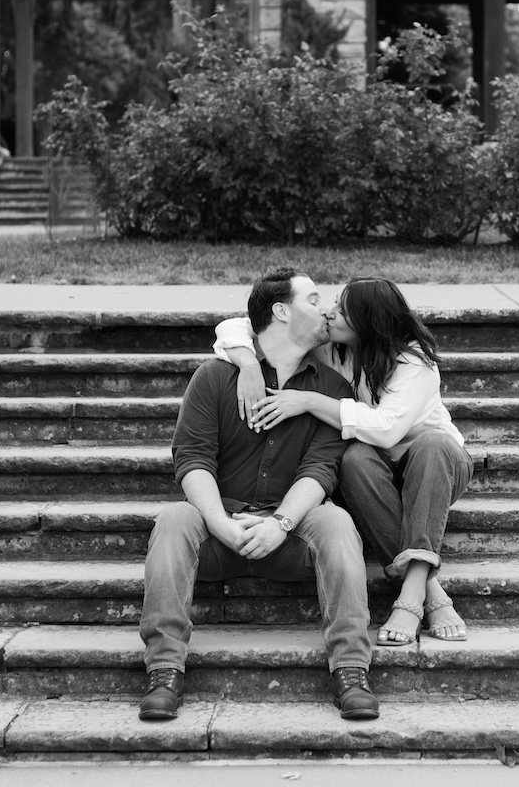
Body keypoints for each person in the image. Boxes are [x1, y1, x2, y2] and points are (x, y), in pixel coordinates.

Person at [138, 267, 378, 722]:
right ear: (281, 311)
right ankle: (165, 670)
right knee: (173, 519)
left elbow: (321, 470)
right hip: (216, 531)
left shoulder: (333, 390)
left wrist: (280, 524)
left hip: (290, 535)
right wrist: (220, 524)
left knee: (336, 522)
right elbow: (192, 461)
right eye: (313, 299)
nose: (326, 309)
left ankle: (350, 667)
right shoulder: (213, 378)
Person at [214, 276, 472, 647]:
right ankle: (432, 588)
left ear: (368, 322)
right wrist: (249, 366)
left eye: (342, 309)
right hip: (374, 477)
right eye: (330, 303)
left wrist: (309, 401)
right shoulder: (336, 350)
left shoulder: (414, 362)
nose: (330, 313)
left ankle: (414, 592)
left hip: (437, 468)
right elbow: (237, 326)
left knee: (431, 444)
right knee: (353, 457)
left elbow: (387, 430)